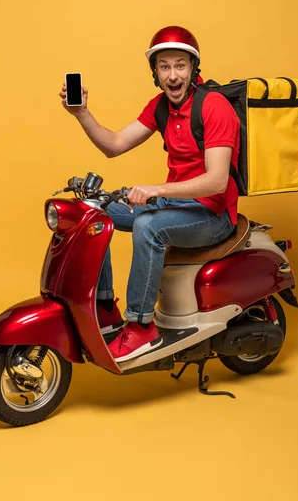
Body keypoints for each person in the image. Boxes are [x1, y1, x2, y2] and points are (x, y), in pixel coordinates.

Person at [59, 26, 240, 362]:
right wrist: (82, 114)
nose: (173, 75)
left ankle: (142, 326)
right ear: (156, 73)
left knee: (148, 227)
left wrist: (157, 189)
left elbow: (216, 181)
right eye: (165, 67)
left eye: (180, 65)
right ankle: (104, 305)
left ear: (193, 69)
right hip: (175, 204)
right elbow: (113, 145)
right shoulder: (160, 106)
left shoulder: (213, 107)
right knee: (91, 211)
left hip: (212, 214)